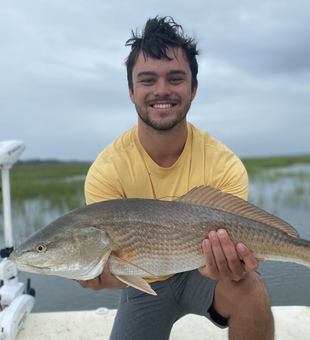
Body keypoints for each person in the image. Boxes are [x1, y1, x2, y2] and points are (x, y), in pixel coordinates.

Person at [79, 16, 274, 340]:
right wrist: (98, 274)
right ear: (131, 91)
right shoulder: (106, 171)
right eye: (147, 80)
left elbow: (238, 255)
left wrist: (231, 264)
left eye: (175, 78)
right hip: (143, 285)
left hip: (204, 275)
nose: (161, 90)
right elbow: (114, 271)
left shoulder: (224, 164)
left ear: (193, 88)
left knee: (251, 289)